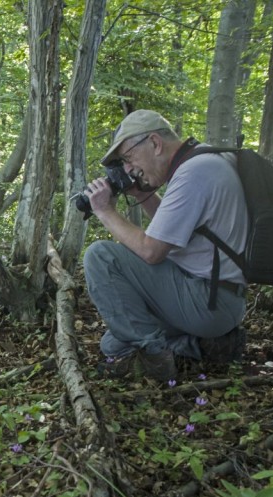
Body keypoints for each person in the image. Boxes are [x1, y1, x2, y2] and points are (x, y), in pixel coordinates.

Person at [81, 109, 248, 382]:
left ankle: (155, 359)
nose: (127, 169)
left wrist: (104, 211)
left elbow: (151, 251)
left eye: (127, 158)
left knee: (100, 256)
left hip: (208, 301)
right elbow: (174, 234)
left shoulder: (193, 173)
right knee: (113, 344)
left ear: (155, 143)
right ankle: (202, 345)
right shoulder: (206, 160)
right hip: (218, 299)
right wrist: (146, 196)